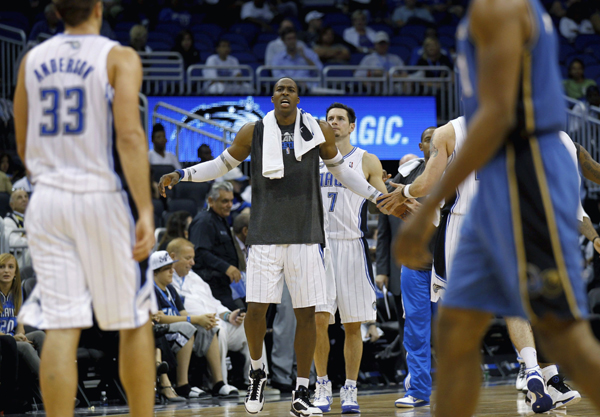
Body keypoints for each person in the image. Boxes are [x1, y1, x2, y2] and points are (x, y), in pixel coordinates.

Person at [390, 0, 600, 416]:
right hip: (529, 201)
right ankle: (539, 374)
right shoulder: (524, 16)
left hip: (490, 213)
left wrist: (421, 202)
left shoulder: (497, 13)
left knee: (459, 332)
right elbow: (586, 168)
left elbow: (496, 115)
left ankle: (539, 374)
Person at [158, 77, 390, 416]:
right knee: (256, 310)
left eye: (291, 89)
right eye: (279, 89)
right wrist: (184, 173)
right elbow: (221, 165)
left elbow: (342, 172)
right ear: (271, 98)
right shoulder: (253, 131)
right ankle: (257, 372)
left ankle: (301, 390)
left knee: (307, 315)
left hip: (307, 235)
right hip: (264, 235)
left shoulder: (318, 130)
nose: (285, 93)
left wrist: (376, 196)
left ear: (298, 98)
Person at [13, 0, 156, 416]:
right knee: (132, 319)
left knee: (61, 325)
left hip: (47, 200)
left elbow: (22, 141)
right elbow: (129, 135)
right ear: (98, 8)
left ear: (57, 10)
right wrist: (144, 210)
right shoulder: (118, 56)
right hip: (99, 197)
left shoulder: (31, 59)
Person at [313, 102, 388, 414]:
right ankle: (321, 386)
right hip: (318, 245)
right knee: (318, 322)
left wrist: (397, 192)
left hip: (352, 245)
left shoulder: (366, 159)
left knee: (352, 325)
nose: (334, 123)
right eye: (330, 118)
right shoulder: (312, 155)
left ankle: (351, 389)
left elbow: (382, 203)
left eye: (340, 119)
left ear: (352, 126)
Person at [378, 128, 436, 409]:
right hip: (415, 263)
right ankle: (419, 390)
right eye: (428, 139)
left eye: (438, 138)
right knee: (415, 328)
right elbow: (382, 201)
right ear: (421, 145)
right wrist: (384, 186)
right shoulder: (405, 176)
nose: (434, 143)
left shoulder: (456, 172)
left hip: (447, 261)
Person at [168, 238, 259, 387]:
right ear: (173, 257)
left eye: (193, 258)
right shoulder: (167, 281)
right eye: (188, 258)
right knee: (218, 330)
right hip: (195, 326)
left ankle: (256, 380)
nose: (193, 263)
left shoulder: (195, 277)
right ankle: (220, 383)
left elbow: (214, 303)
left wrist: (228, 315)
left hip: (215, 319)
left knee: (251, 328)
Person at [151, 250, 238, 398]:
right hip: (161, 333)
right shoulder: (151, 290)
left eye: (172, 267)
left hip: (175, 329)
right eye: (167, 269)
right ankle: (182, 384)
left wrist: (201, 319)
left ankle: (218, 382)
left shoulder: (170, 289)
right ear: (154, 273)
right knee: (188, 327)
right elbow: (159, 319)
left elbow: (183, 314)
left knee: (208, 328)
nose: (172, 271)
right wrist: (194, 320)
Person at [188, 181, 242, 311]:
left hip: (223, 284)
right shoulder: (204, 221)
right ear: (211, 201)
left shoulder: (220, 218)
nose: (230, 205)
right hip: (210, 284)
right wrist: (226, 267)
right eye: (224, 201)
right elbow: (200, 252)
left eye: (231, 201)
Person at [0, 253, 45, 378]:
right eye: (2, 267)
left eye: (10, 267)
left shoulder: (17, 292)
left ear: (15, 272)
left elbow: (20, 325)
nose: (6, 271)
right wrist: (13, 338)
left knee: (40, 335)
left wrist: (20, 335)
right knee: (25, 347)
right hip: (3, 341)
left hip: (12, 340)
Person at [4, 189, 30, 268]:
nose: (24, 199)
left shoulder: (36, 219)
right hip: (18, 260)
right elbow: (14, 243)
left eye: (26, 196)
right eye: (19, 197)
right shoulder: (8, 220)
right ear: (12, 205)